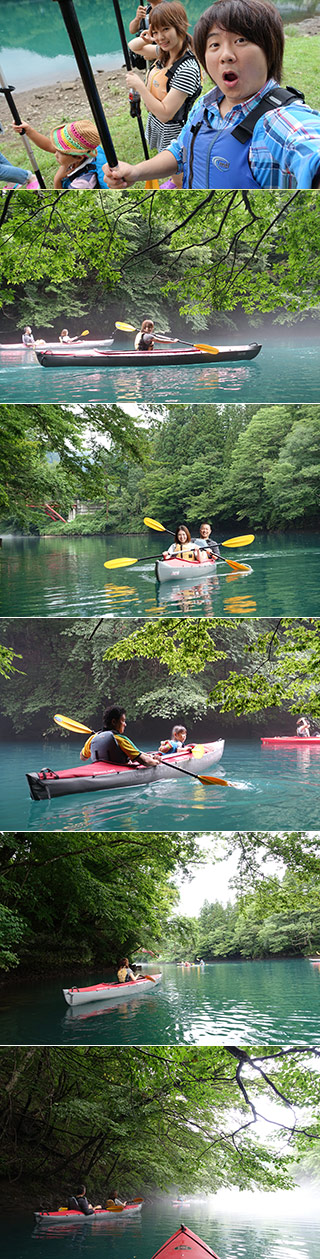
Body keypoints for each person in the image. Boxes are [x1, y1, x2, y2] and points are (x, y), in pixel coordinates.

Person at [103, 0, 320, 190]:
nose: (226, 55)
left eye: (241, 40)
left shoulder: (278, 123)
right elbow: (180, 150)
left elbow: (307, 146)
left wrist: (140, 87)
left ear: (270, 48)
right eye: (214, 44)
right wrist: (136, 171)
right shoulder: (206, 105)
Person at [126, 2, 201, 188]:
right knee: (170, 169)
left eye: (165, 29)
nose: (160, 37)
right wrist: (147, 38)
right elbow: (133, 46)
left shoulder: (187, 68)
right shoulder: (165, 52)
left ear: (180, 26)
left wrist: (140, 87)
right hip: (159, 126)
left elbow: (166, 113)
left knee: (178, 176)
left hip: (174, 131)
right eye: (156, 31)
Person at [12, 118, 100, 189]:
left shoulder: (83, 183)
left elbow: (64, 200)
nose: (55, 153)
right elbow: (49, 146)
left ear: (78, 158)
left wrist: (57, 179)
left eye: (60, 152)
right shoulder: (80, 154)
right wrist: (29, 130)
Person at [80, 706, 161, 768]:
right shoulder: (120, 739)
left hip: (100, 770)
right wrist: (157, 761)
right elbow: (146, 762)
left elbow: (83, 757)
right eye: (123, 721)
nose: (125, 724)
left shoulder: (93, 738)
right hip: (119, 771)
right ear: (114, 722)